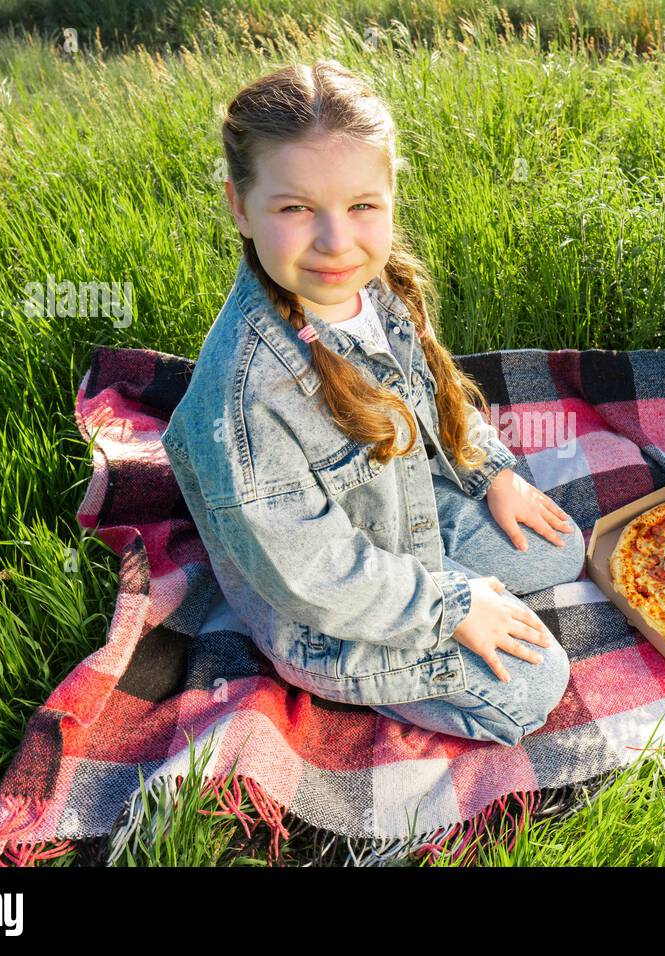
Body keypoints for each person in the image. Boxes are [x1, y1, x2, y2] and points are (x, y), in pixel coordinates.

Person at [160, 60, 583, 747]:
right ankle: (397, 657)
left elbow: (430, 395)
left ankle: (456, 582)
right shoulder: (245, 397)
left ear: (389, 195)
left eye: (362, 206)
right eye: (296, 208)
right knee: (533, 689)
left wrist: (489, 473)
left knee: (557, 549)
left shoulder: (374, 285)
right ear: (240, 206)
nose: (336, 241)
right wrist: (450, 605)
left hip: (400, 502)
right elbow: (311, 572)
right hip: (325, 611)